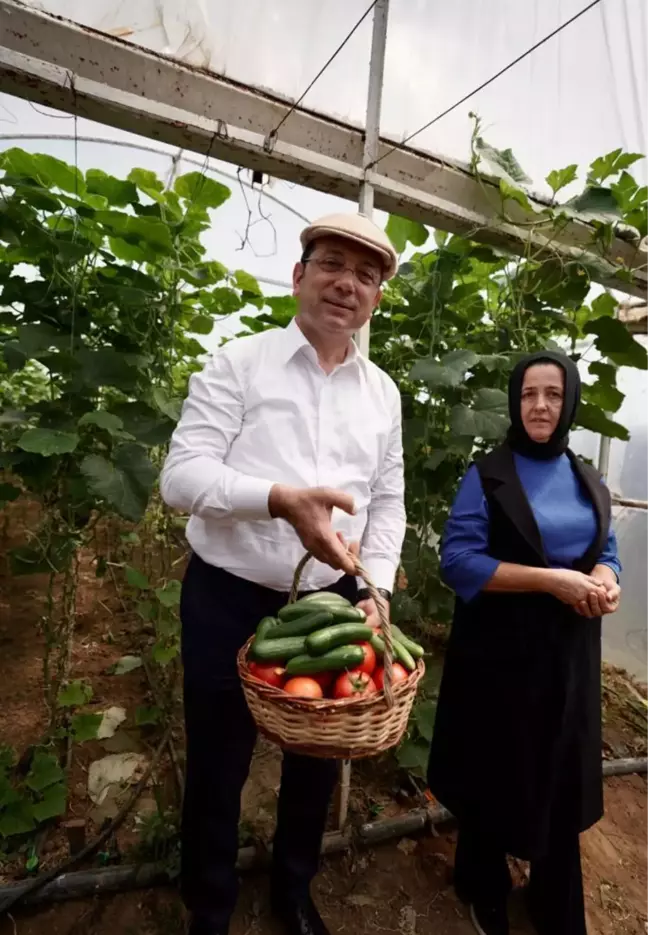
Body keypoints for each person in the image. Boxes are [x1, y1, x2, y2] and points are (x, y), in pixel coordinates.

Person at [160, 212, 406, 935]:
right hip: (228, 597)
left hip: (333, 599)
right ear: (298, 276)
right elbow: (182, 476)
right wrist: (279, 502)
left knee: (317, 760)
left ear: (377, 299)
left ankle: (292, 890)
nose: (347, 284)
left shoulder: (383, 393)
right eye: (332, 264)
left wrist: (378, 587)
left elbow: (389, 497)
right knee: (218, 760)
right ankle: (210, 904)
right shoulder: (240, 362)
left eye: (366, 275)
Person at [426, 351, 622, 935]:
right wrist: (549, 580)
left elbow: (605, 554)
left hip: (569, 659)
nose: (540, 405)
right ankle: (484, 886)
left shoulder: (588, 478)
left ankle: (553, 896)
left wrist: (607, 583)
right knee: (495, 770)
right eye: (529, 393)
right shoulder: (489, 474)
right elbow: (458, 562)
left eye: (554, 395)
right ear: (515, 401)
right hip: (499, 658)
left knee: (561, 772)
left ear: (570, 405)